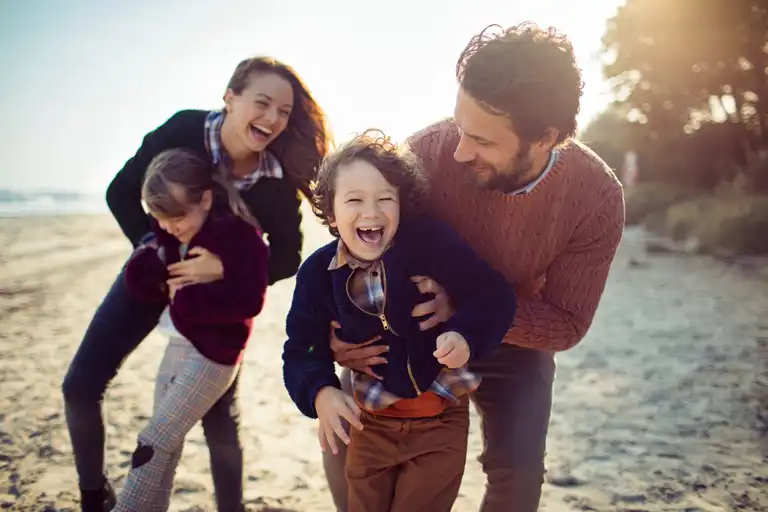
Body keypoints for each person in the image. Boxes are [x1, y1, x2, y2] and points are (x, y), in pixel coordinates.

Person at [321, 22, 626, 512]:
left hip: (516, 339)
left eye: (482, 140)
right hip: (412, 328)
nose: (460, 150)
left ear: (545, 137)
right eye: (460, 127)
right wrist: (337, 335)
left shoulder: (597, 198)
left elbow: (567, 322)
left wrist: (465, 312)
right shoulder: (424, 153)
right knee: (344, 432)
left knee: (520, 474)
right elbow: (358, 246)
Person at [61, 56, 331, 512]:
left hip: (220, 303)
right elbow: (120, 192)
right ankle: (94, 494)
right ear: (230, 97)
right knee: (80, 385)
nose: (271, 118)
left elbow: (287, 255)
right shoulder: (183, 131)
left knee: (221, 419)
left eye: (283, 112)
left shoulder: (276, 182)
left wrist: (224, 269)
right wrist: (160, 250)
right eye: (261, 103)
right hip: (157, 275)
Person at [282, 130, 517, 512]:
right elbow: (301, 347)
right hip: (370, 423)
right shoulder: (317, 273)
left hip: (440, 420)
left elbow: (493, 293)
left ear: (402, 205)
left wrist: (466, 334)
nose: (371, 212)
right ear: (331, 209)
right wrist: (320, 392)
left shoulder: (430, 244)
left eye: (385, 199)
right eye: (354, 200)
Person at [112, 148, 269, 511]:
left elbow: (250, 301)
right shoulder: (168, 232)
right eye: (159, 218)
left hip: (215, 355)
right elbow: (144, 280)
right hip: (177, 346)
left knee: (153, 439)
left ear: (206, 199)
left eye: (176, 217)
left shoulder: (239, 238)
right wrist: (152, 268)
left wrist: (202, 290)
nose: (168, 226)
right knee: (165, 451)